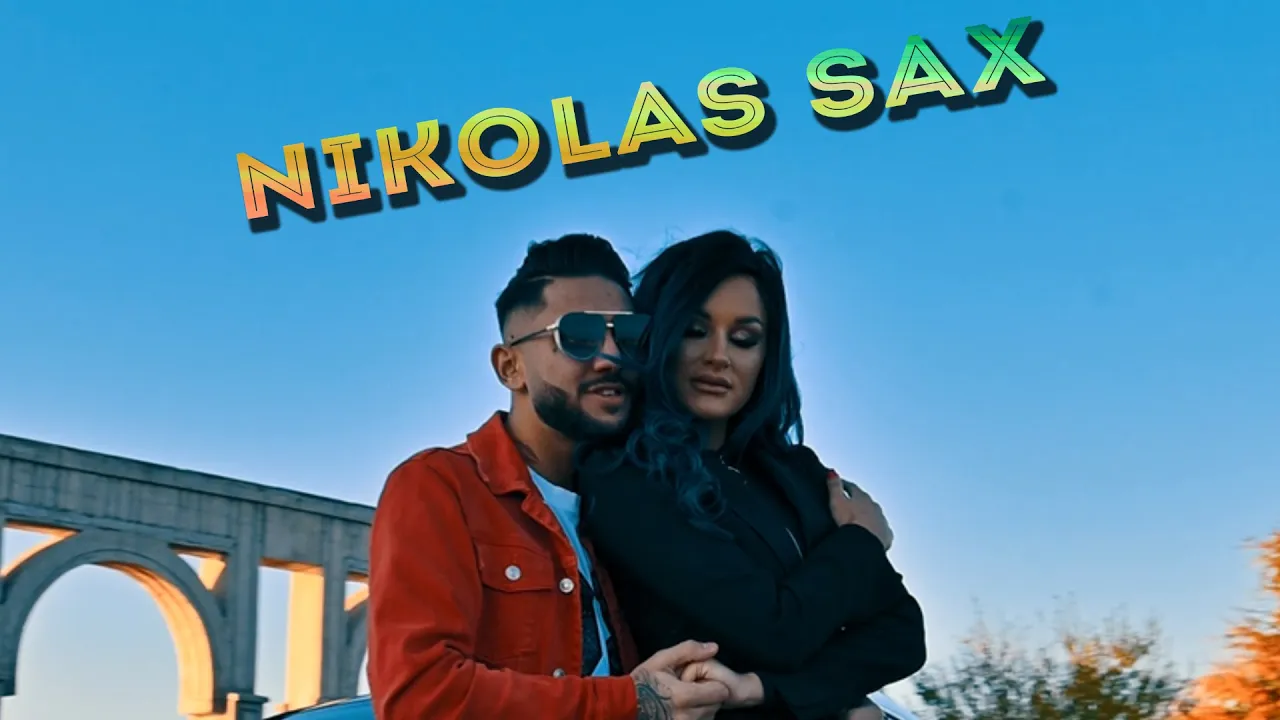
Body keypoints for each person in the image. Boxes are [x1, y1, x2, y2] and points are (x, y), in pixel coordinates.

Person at [365, 233, 739, 720]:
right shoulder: (438, 488)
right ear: (510, 367)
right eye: (578, 336)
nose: (610, 357)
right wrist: (632, 701)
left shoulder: (635, 508)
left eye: (629, 335)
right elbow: (420, 698)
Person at [576, 230, 929, 720]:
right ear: (657, 336)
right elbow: (775, 631)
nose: (718, 355)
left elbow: (904, 635)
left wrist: (761, 689)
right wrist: (862, 541)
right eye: (695, 330)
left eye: (744, 339)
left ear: (767, 356)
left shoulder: (796, 472)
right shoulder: (623, 479)